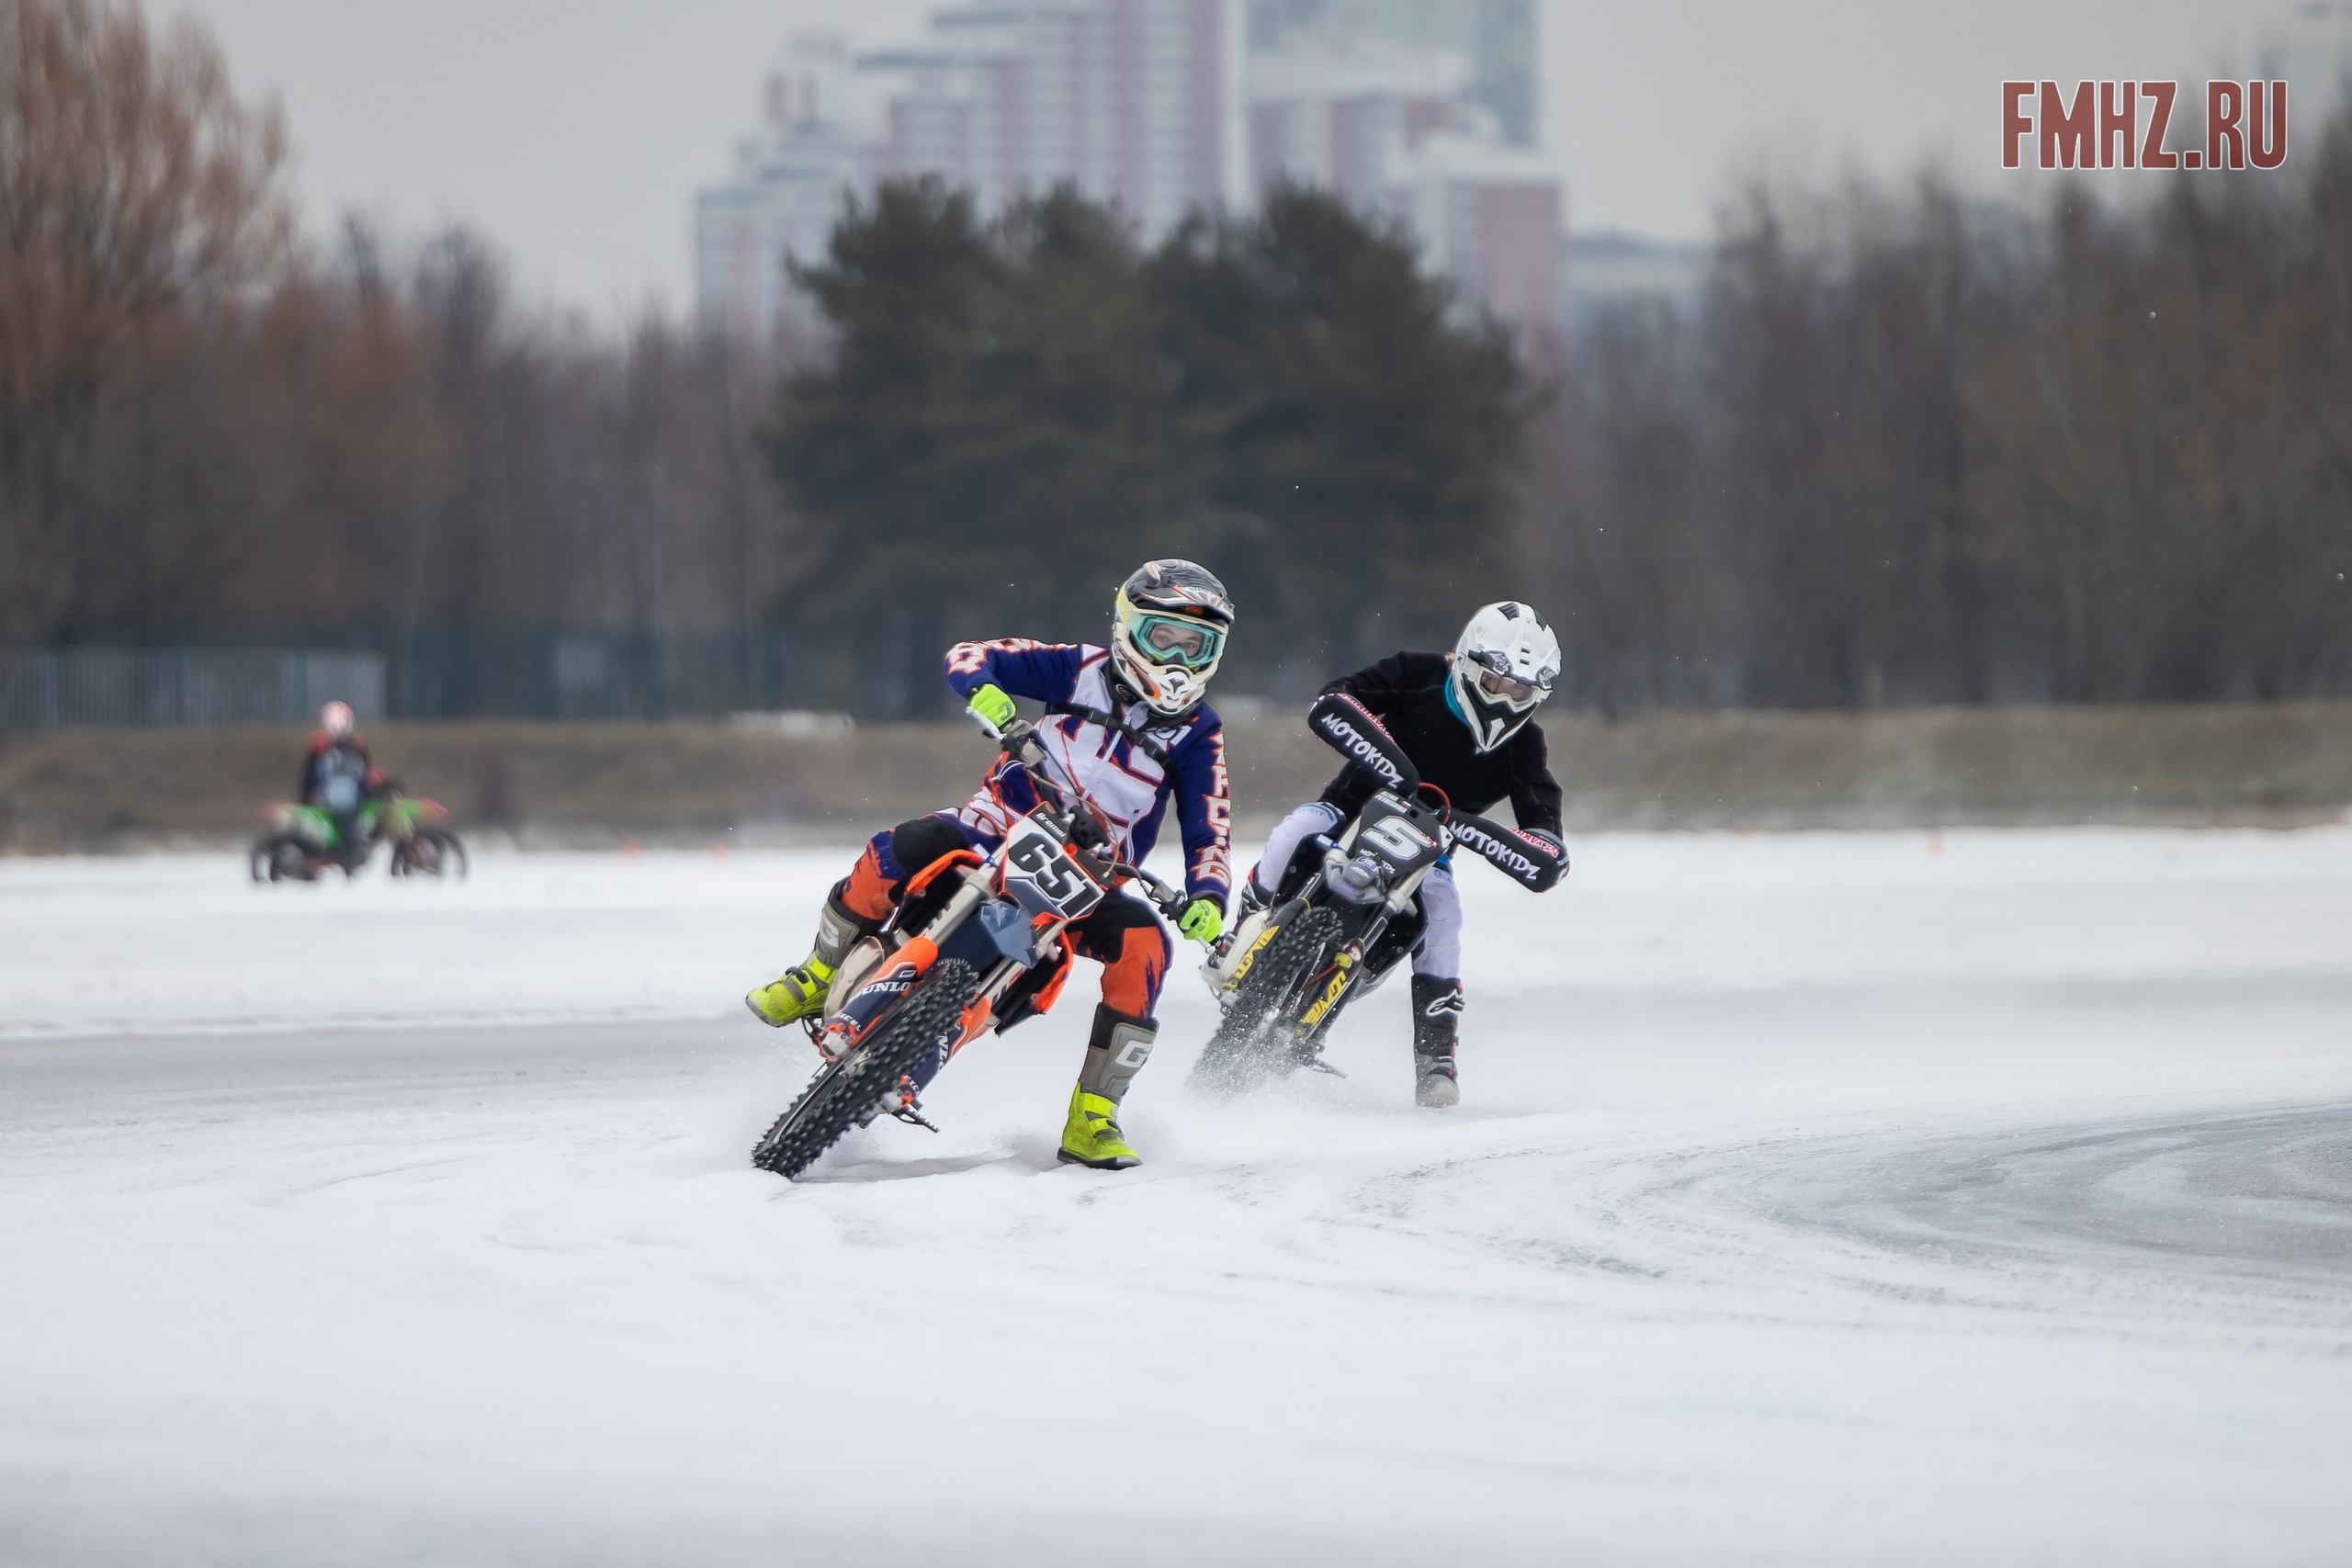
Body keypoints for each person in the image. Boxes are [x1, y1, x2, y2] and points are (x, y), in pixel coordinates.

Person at [745, 560, 1237, 1170]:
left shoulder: (1200, 732)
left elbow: (1210, 824)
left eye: (1196, 646)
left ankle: (1094, 1113)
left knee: (1147, 944)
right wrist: (986, 692)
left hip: (1087, 881)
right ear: (1128, 628)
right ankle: (818, 973)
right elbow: (971, 654)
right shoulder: (1076, 667)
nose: (1178, 660)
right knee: (902, 844)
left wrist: (1208, 897)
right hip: (993, 828)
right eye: (1164, 638)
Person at [1219, 602, 1569, 1108]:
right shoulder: (1418, 673)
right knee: (1297, 828)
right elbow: (1333, 700)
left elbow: (1548, 848)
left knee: (1444, 914)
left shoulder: (1526, 744)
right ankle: (1244, 931)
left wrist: (1466, 827)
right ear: (1469, 662)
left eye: (1520, 690)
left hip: (1425, 855)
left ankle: (1436, 1060)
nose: (1505, 698)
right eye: (1496, 681)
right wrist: (1394, 768)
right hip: (1348, 810)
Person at [298, 700, 401, 870]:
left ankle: (352, 854)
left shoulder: (326, 745)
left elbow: (309, 777)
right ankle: (349, 862)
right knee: (351, 829)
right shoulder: (348, 744)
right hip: (342, 799)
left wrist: (305, 798)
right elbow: (365, 771)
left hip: (335, 797)